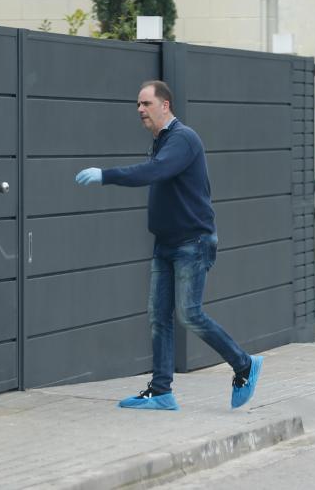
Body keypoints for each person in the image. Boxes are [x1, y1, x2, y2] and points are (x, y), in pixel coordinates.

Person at [74, 80, 262, 412]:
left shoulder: (182, 139)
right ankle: (161, 391)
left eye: (146, 103)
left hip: (193, 241)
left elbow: (155, 171)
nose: (140, 110)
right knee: (158, 317)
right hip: (166, 243)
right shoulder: (162, 141)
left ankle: (244, 364)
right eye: (138, 105)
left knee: (190, 313)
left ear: (166, 105)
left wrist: (107, 175)